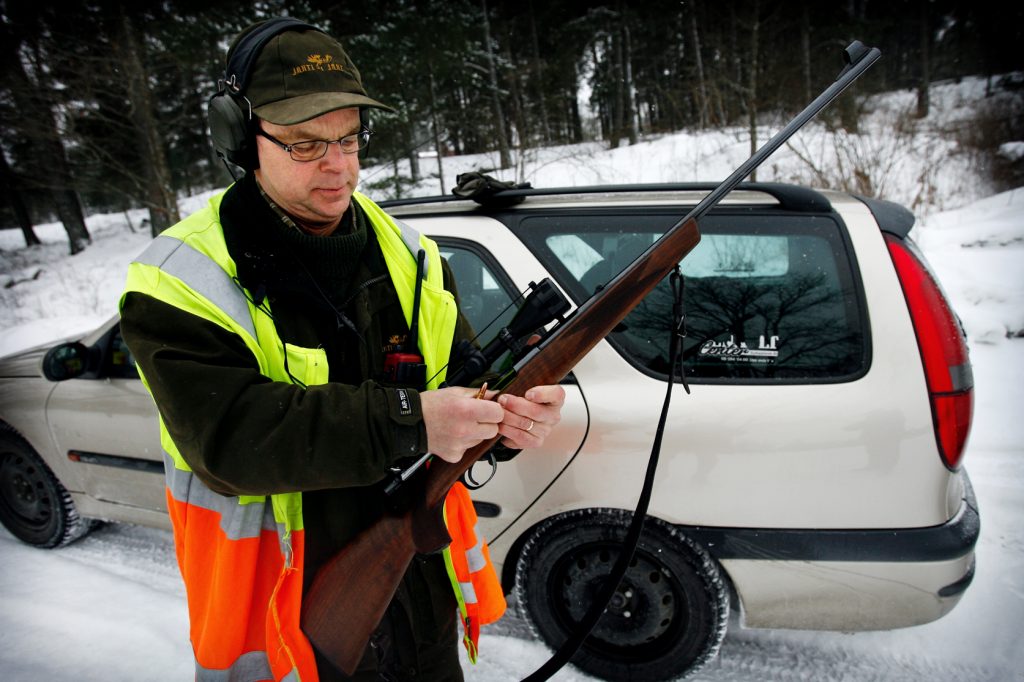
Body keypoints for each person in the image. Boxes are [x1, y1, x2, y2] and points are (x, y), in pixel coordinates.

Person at [119, 17, 564, 682]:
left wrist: (506, 418)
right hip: (282, 627)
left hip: (421, 606)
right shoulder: (179, 278)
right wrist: (413, 420)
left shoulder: (411, 255)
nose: (340, 166)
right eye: (305, 145)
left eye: (350, 139)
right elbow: (231, 439)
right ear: (240, 141)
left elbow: (464, 385)